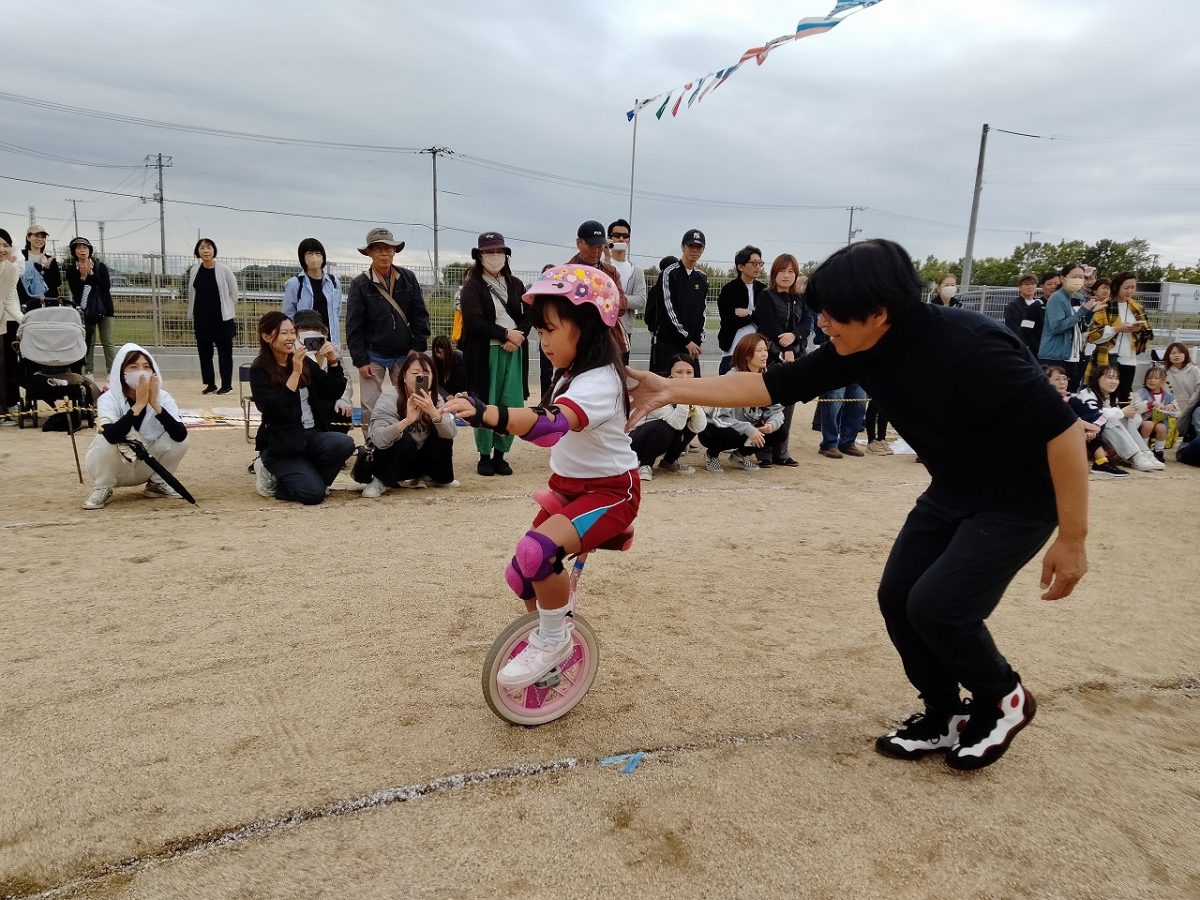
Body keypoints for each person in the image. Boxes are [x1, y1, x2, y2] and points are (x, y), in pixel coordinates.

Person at [627, 238, 1090, 771]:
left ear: (878, 312)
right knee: (898, 598)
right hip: (954, 488)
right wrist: (671, 390)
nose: (821, 323)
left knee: (939, 607)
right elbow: (770, 384)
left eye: (832, 313)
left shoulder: (974, 345)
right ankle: (944, 713)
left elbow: (1063, 431)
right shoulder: (859, 344)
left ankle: (1003, 697)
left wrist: (1072, 538)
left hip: (1019, 497)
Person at [443, 264, 638, 691]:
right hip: (568, 490)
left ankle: (553, 640)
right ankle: (551, 638)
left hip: (610, 493)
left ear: (587, 326)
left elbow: (550, 426)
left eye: (550, 330)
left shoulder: (598, 382)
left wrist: (486, 413)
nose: (542, 340)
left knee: (538, 552)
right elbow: (548, 434)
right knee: (520, 573)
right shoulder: (573, 374)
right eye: (539, 331)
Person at [249, 311, 356, 505]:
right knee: (313, 495)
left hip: (311, 434)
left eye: (292, 332)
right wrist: (295, 373)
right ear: (266, 337)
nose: (290, 337)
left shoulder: (303, 360)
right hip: (282, 443)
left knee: (344, 443)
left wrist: (333, 361)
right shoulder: (260, 369)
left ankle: (309, 479)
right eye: (284, 333)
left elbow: (331, 391)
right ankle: (274, 475)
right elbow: (274, 409)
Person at [83, 344, 189, 510]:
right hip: (115, 467)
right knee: (105, 437)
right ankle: (103, 487)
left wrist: (156, 406)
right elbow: (112, 436)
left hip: (145, 465)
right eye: (133, 367)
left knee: (182, 438)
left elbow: (180, 435)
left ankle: (157, 484)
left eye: (146, 367)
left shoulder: (163, 397)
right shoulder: (109, 399)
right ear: (121, 372)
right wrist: (138, 406)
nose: (141, 372)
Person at [345, 227, 431, 433]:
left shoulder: (408, 278)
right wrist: (360, 360)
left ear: (394, 251)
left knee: (412, 398)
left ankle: (412, 442)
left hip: (405, 353)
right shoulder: (360, 284)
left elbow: (420, 315)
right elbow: (353, 325)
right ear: (369, 253)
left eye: (388, 248)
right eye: (378, 249)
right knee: (369, 406)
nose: (384, 253)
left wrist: (417, 348)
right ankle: (372, 444)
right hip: (372, 354)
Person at [459, 232, 530, 477]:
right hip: (484, 354)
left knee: (510, 402)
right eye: (489, 252)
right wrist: (505, 334)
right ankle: (484, 455)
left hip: (513, 352)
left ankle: (501, 454)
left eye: (499, 251)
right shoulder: (472, 287)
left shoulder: (516, 284)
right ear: (479, 256)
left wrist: (518, 337)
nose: (495, 256)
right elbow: (474, 321)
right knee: (485, 401)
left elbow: (529, 315)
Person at [361, 351, 457, 497]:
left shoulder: (435, 399)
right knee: (403, 437)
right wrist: (406, 421)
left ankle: (435, 477)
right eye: (415, 373)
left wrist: (434, 414)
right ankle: (381, 480)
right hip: (394, 461)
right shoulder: (390, 398)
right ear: (404, 376)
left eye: (426, 373)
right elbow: (378, 439)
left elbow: (451, 433)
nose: (420, 377)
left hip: (420, 460)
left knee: (442, 430)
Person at [753, 253, 812, 466]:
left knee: (788, 403)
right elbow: (769, 323)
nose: (786, 275)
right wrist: (785, 346)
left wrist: (794, 337)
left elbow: (807, 323)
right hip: (769, 356)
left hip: (795, 357)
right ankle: (764, 452)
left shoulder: (801, 299)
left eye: (790, 271)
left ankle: (782, 452)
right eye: (782, 271)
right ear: (774, 273)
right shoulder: (766, 296)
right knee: (766, 403)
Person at [699, 334, 785, 473]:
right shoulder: (731, 379)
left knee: (779, 432)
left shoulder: (767, 378)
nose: (764, 354)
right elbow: (717, 418)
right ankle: (712, 455)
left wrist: (771, 425)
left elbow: (777, 410)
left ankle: (739, 456)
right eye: (759, 351)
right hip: (715, 429)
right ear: (747, 355)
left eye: (765, 350)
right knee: (729, 434)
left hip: (746, 427)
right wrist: (748, 429)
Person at [629, 353, 706, 481]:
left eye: (689, 372)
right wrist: (684, 397)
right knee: (664, 427)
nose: (684, 377)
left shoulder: (691, 392)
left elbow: (699, 427)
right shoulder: (658, 392)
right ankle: (645, 464)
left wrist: (694, 401)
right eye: (679, 372)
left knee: (691, 424)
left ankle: (669, 461)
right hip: (634, 441)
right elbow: (677, 424)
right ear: (670, 373)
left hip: (660, 436)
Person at [1074, 363, 1164, 472]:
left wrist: (1131, 414)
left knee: (1123, 417)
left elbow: (1123, 420)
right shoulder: (1087, 394)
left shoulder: (1109, 396)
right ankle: (1134, 456)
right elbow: (1094, 415)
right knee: (1110, 419)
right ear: (1097, 378)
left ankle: (1144, 453)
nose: (1114, 381)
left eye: (1116, 378)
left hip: (1099, 434)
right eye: (1110, 377)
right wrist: (1121, 412)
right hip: (1086, 436)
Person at [1082, 272, 1152, 404]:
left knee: (1124, 396)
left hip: (1129, 358)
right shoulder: (1105, 306)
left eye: (1133, 287)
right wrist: (1116, 329)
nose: (1129, 291)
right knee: (1104, 396)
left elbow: (1147, 333)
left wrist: (1138, 330)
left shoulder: (1138, 308)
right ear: (1117, 287)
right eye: (1126, 287)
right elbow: (1093, 336)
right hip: (1107, 357)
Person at [1044, 364, 1122, 478]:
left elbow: (1097, 415)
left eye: (1064, 378)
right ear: (1046, 381)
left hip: (1071, 436)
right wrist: (1085, 425)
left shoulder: (1072, 398)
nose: (1062, 382)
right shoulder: (1044, 400)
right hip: (1048, 438)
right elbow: (1064, 419)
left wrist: (1094, 428)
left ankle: (1101, 462)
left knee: (1091, 430)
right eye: (1057, 379)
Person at [566, 220, 628, 355]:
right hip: (576, 342)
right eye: (591, 245)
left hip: (608, 341)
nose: (596, 251)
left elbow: (622, 306)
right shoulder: (566, 273)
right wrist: (604, 301)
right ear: (578, 243)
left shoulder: (611, 272)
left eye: (600, 246)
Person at [651, 229, 708, 375]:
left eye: (698, 247)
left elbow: (702, 312)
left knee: (693, 387)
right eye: (691, 246)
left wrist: (697, 341)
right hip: (669, 344)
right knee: (667, 385)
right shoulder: (669, 273)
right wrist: (686, 340)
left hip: (692, 347)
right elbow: (668, 310)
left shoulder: (702, 277)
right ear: (683, 247)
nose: (694, 250)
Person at [186, 237, 239, 395]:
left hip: (222, 318)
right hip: (201, 318)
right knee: (204, 353)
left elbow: (234, 292)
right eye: (202, 248)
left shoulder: (224, 270)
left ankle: (227, 385)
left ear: (214, 250)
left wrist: (228, 306)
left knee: (224, 353)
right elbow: (192, 292)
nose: (206, 251)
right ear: (198, 251)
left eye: (209, 247)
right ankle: (210, 384)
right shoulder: (195, 270)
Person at [1038, 262, 1102, 390]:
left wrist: (1090, 312)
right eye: (1074, 277)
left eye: (1081, 277)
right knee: (1055, 393)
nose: (1078, 280)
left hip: (1071, 354)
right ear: (1063, 278)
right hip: (1055, 355)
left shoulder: (1072, 297)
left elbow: (1078, 326)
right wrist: (1083, 311)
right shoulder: (1057, 298)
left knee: (1069, 393)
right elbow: (1057, 327)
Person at [292, 309, 354, 432]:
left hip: (327, 397)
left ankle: (332, 440)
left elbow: (345, 376)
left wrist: (343, 399)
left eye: (315, 327)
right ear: (296, 330)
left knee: (342, 412)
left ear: (322, 330)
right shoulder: (291, 349)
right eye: (305, 327)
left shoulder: (330, 348)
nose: (310, 331)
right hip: (302, 401)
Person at [64, 237, 115, 376]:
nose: (82, 250)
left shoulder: (100, 266)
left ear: (89, 250)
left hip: (104, 308)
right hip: (85, 310)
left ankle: (113, 373)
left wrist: (91, 274)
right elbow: (75, 291)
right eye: (78, 247)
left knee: (107, 341)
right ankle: (88, 372)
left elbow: (106, 286)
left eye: (85, 247)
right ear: (74, 251)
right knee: (88, 342)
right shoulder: (71, 270)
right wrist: (82, 277)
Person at [282, 237, 343, 347]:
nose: (314, 257)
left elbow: (337, 310)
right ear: (302, 257)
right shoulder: (295, 283)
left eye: (318, 253)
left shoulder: (333, 282)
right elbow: (288, 315)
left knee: (331, 358)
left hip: (330, 340)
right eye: (309, 253)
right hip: (304, 341)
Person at [716, 245, 766, 375]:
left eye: (760, 263)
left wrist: (749, 312)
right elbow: (729, 319)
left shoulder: (763, 290)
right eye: (754, 263)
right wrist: (756, 314)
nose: (757, 267)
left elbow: (766, 318)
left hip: (757, 346)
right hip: (732, 346)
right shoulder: (729, 290)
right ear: (740, 266)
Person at [604, 219, 647, 364]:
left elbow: (641, 301)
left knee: (621, 370)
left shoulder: (636, 271)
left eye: (625, 236)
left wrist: (617, 299)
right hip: (601, 329)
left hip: (624, 330)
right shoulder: (600, 266)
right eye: (617, 235)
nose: (621, 239)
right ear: (609, 237)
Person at [0, 228, 25, 423]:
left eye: (5, 245)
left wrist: (25, 322)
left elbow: (8, 301)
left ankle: (6, 408)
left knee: (4, 366)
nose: (2, 249)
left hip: (3, 323)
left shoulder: (12, 269)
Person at [1133, 366, 1179, 462]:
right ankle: (1143, 449)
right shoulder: (1142, 392)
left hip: (1160, 421)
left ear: (1163, 380)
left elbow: (1177, 411)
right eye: (1149, 378)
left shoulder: (1168, 395)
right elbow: (1135, 406)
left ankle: (1158, 451)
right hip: (1143, 421)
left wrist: (1171, 406)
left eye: (1156, 378)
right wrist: (1151, 404)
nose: (1152, 380)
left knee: (1162, 427)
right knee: (1149, 425)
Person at [17, 224, 62, 310]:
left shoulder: (50, 260)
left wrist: (44, 271)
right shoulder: (21, 256)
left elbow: (56, 283)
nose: (40, 239)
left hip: (48, 303)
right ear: (28, 237)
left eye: (43, 237)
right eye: (36, 236)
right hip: (26, 303)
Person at [1003, 273, 1044, 357]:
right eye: (1026, 284)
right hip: (1024, 348)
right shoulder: (1013, 306)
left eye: (1032, 284)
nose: (1030, 287)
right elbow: (1013, 328)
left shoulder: (1041, 304)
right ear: (1019, 287)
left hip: (1041, 347)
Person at [1163, 342, 1199, 413]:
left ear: (1185, 354)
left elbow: (1198, 391)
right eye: (1173, 353)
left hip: (1192, 408)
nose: (1177, 355)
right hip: (1170, 408)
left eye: (1180, 352)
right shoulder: (1163, 371)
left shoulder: (1194, 370)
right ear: (1168, 356)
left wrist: (1189, 405)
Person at [431, 334, 466, 401]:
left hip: (461, 393)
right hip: (444, 396)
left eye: (443, 352)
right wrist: (446, 395)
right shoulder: (432, 362)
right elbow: (434, 383)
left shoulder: (458, 357)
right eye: (437, 352)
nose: (440, 355)